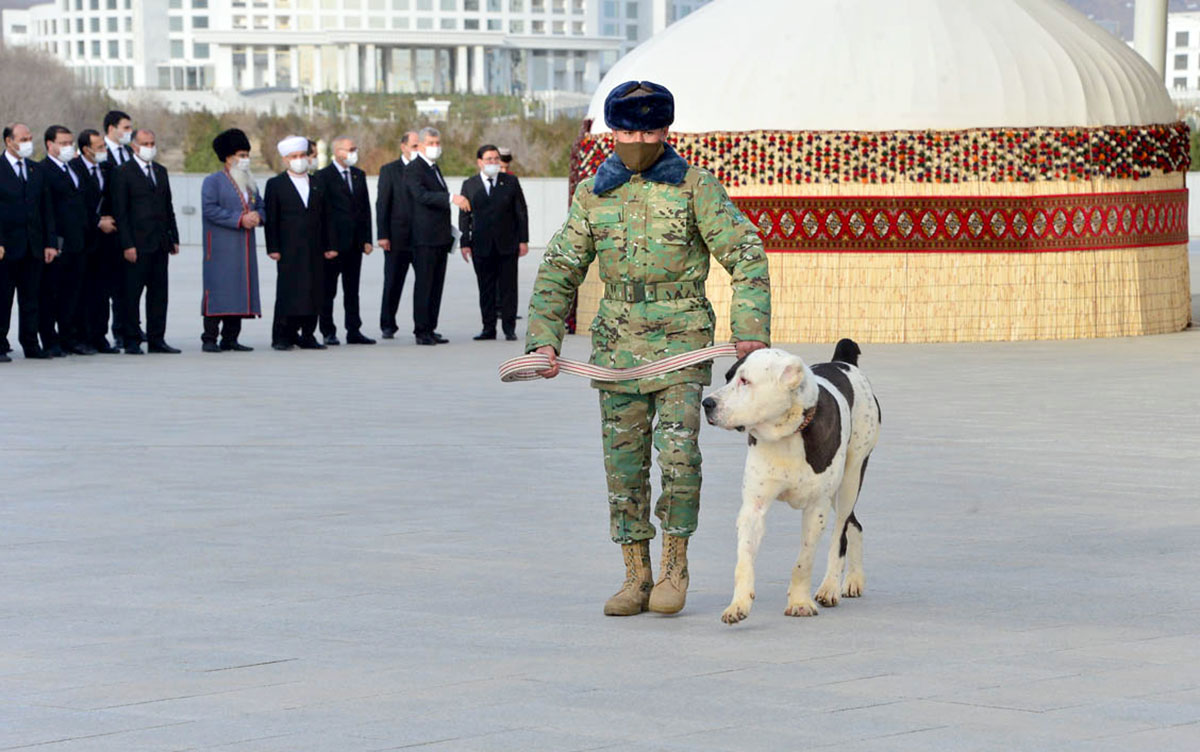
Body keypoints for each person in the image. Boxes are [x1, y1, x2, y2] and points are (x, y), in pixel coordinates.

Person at [525, 81, 772, 616]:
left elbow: (746, 253)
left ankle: (674, 566)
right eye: (629, 132)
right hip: (616, 347)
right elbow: (560, 267)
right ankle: (635, 574)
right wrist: (543, 341)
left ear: (666, 131)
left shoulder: (695, 187)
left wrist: (750, 329)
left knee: (679, 457)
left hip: (681, 343)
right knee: (623, 464)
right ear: (613, 132)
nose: (638, 141)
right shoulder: (594, 194)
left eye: (649, 132)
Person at [111, 128, 180, 354]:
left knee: (159, 295)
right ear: (134, 146)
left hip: (159, 243)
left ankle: (157, 339)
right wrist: (127, 244)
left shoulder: (160, 171)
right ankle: (131, 339)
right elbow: (120, 212)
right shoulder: (123, 172)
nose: (150, 147)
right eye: (145, 144)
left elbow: (168, 206)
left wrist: (173, 237)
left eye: (152, 143)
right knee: (131, 295)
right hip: (137, 245)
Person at [264, 136, 335, 351]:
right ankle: (282, 336)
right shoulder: (276, 184)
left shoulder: (317, 183)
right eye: (294, 156)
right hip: (289, 248)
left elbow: (328, 216)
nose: (299, 160)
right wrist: (273, 247)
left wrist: (330, 245)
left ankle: (308, 334)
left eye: (302, 155)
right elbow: (272, 219)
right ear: (286, 160)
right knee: (289, 291)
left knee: (314, 290)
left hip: (315, 247)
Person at [200, 128, 263, 352]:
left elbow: (260, 205)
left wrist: (258, 216)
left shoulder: (250, 182)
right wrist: (239, 219)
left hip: (244, 247)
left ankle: (230, 338)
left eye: (247, 155)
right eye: (241, 155)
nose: (245, 159)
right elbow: (210, 209)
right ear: (228, 157)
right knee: (219, 289)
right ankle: (209, 338)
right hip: (220, 247)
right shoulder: (213, 181)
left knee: (239, 289)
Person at [405, 126, 470, 345]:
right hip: (424, 237)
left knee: (436, 285)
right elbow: (421, 196)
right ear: (421, 145)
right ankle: (421, 330)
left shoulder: (434, 168)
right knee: (424, 284)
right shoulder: (414, 168)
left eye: (437, 143)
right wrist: (450, 197)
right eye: (431, 143)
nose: (435, 147)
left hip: (440, 236)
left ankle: (431, 327)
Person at [458, 144, 529, 342]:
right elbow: (464, 217)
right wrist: (464, 243)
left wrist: (523, 240)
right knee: (486, 288)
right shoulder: (469, 184)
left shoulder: (511, 182)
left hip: (507, 244)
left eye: (496, 159)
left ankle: (509, 328)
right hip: (481, 245)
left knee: (508, 288)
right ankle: (488, 328)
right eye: (489, 159)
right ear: (480, 162)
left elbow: (521, 212)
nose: (493, 162)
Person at [0, 122, 57, 361]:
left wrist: (50, 243)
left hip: (33, 246)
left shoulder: (36, 170)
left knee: (31, 299)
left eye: (29, 138)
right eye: (23, 139)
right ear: (9, 141)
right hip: (6, 246)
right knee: (3, 298)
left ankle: (31, 344)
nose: (28, 143)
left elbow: (46, 209)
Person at [314, 135, 374, 345]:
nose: (353, 153)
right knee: (328, 290)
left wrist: (367, 239)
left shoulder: (358, 174)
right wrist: (326, 244)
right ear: (337, 152)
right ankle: (328, 330)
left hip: (355, 244)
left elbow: (365, 209)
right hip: (334, 245)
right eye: (350, 149)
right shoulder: (323, 176)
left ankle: (354, 330)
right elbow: (321, 213)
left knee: (352, 290)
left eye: (354, 149)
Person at [39, 124, 90, 356]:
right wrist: (51, 241)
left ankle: (70, 338)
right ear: (50, 145)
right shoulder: (43, 170)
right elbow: (46, 209)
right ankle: (50, 340)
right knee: (52, 294)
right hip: (58, 242)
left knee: (73, 293)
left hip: (77, 241)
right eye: (63, 143)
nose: (68, 147)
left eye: (70, 143)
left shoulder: (74, 169)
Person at [71, 129, 120, 353]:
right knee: (82, 292)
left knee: (102, 292)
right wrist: (97, 221)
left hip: (106, 241)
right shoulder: (74, 169)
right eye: (99, 147)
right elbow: (75, 205)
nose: (104, 150)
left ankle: (99, 336)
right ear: (86, 149)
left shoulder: (108, 168)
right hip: (83, 240)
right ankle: (80, 336)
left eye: (104, 146)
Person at [376, 130, 418, 339]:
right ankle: (388, 324)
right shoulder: (389, 170)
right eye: (414, 146)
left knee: (425, 285)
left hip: (422, 238)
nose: (418, 150)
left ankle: (424, 326)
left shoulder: (428, 169)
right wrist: (383, 234)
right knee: (393, 282)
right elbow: (383, 203)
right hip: (397, 238)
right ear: (403, 147)